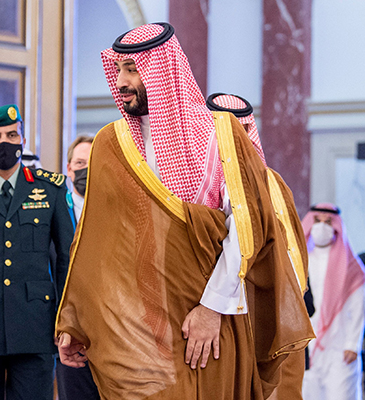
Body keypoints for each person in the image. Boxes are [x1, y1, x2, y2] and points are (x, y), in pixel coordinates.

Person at [55, 23, 312, 399]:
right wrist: (76, 323)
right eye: (120, 70)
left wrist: (211, 309)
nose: (122, 81)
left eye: (133, 69)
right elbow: (97, 243)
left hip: (210, 320)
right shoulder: (111, 143)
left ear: (162, 68)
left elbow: (244, 227)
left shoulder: (218, 134)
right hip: (139, 324)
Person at [0, 104, 74, 400]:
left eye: (11, 134)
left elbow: (68, 260)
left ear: (22, 139)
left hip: (36, 324)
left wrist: (69, 320)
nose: (4, 142)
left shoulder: (50, 189)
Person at [207, 92, 310, 399]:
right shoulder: (205, 183)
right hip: (226, 314)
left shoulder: (274, 182)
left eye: (242, 131)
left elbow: (293, 247)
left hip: (281, 313)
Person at [301, 204, 365, 400]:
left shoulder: (351, 265)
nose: (322, 227)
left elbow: (358, 306)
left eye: (328, 222)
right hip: (307, 347)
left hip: (340, 348)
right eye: (317, 221)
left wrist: (352, 344)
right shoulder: (302, 259)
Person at [56, 135, 99, 400]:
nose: (85, 170)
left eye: (92, 163)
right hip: (69, 327)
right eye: (80, 163)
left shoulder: (117, 207)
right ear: (69, 168)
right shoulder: (56, 207)